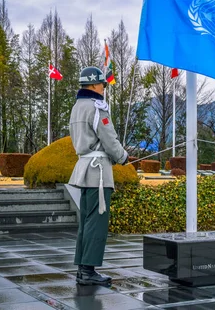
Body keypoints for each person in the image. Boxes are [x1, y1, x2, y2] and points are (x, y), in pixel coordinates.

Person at [69, 66, 129, 286]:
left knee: (86, 221)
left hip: (84, 167)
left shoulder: (77, 107)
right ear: (94, 85)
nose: (104, 88)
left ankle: (82, 269)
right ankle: (88, 271)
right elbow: (109, 138)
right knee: (97, 221)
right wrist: (123, 156)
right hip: (98, 171)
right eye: (103, 84)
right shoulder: (97, 107)